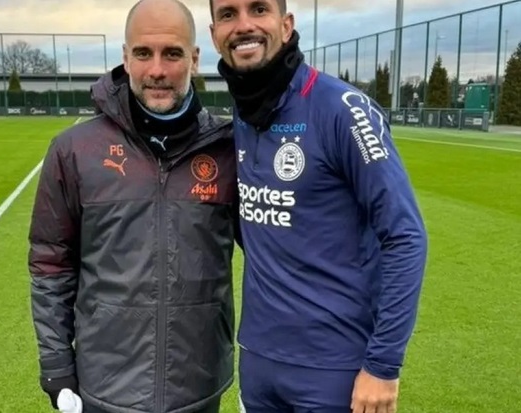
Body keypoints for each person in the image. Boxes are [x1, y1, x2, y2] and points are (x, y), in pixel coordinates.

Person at [208, 1, 429, 413]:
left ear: (286, 25)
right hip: (258, 361)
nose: (243, 25)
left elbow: (406, 236)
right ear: (214, 34)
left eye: (258, 9)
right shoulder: (242, 113)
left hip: (334, 369)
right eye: (228, 14)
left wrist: (382, 366)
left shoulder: (342, 109)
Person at [28, 0, 240, 412]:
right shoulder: (75, 150)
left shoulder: (228, 149)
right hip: (104, 388)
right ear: (125, 58)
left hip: (199, 385)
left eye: (172, 53)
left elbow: (276, 256)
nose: (157, 70)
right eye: (143, 53)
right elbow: (51, 263)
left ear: (195, 59)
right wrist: (55, 362)